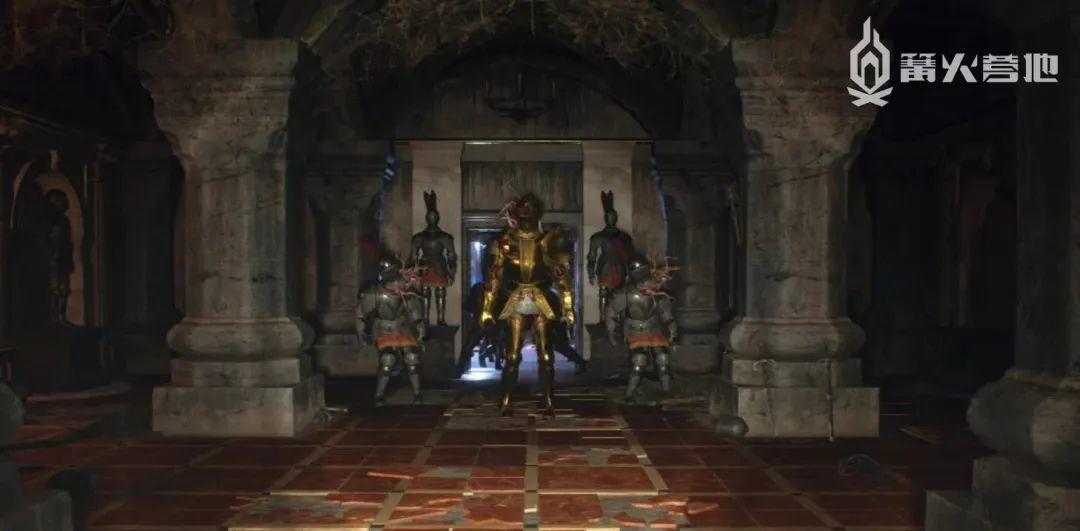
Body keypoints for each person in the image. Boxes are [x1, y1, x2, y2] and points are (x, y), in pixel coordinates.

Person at [480, 192, 575, 415]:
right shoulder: (505, 242)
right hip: (514, 297)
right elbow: (494, 278)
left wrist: (568, 308)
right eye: (523, 213)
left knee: (546, 355)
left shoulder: (548, 240)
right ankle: (506, 398)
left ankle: (548, 398)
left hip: (541, 296)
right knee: (512, 355)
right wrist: (486, 309)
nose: (526, 217)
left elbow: (562, 278)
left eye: (531, 213)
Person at [605, 256, 679, 403]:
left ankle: (666, 390)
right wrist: (611, 332)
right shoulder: (625, 292)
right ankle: (630, 393)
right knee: (639, 360)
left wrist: (672, 328)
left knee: (663, 359)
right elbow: (611, 312)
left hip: (655, 328)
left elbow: (666, 313)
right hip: (634, 329)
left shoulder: (657, 291)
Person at [356, 258, 426, 405]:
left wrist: (419, 325)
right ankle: (379, 394)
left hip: (403, 328)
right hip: (383, 330)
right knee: (388, 359)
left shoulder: (406, 292)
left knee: (412, 357)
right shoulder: (373, 293)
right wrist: (361, 333)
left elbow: (414, 311)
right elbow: (361, 315)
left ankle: (417, 394)